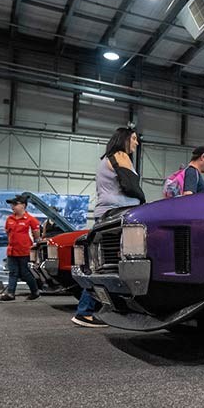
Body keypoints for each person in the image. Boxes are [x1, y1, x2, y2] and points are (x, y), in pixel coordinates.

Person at [72, 127, 145, 327]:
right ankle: (85, 311)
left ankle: (93, 310)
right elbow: (131, 186)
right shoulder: (120, 156)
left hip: (106, 214)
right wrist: (144, 201)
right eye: (134, 139)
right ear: (124, 139)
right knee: (114, 265)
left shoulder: (104, 160)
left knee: (104, 265)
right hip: (116, 214)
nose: (136, 143)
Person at [0, 194, 41, 302]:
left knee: (25, 273)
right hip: (12, 251)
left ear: (23, 205)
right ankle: (10, 294)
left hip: (25, 252)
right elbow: (8, 233)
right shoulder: (9, 219)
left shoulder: (31, 220)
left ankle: (35, 291)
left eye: (15, 204)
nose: (13, 206)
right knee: (13, 272)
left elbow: (36, 236)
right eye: (12, 204)